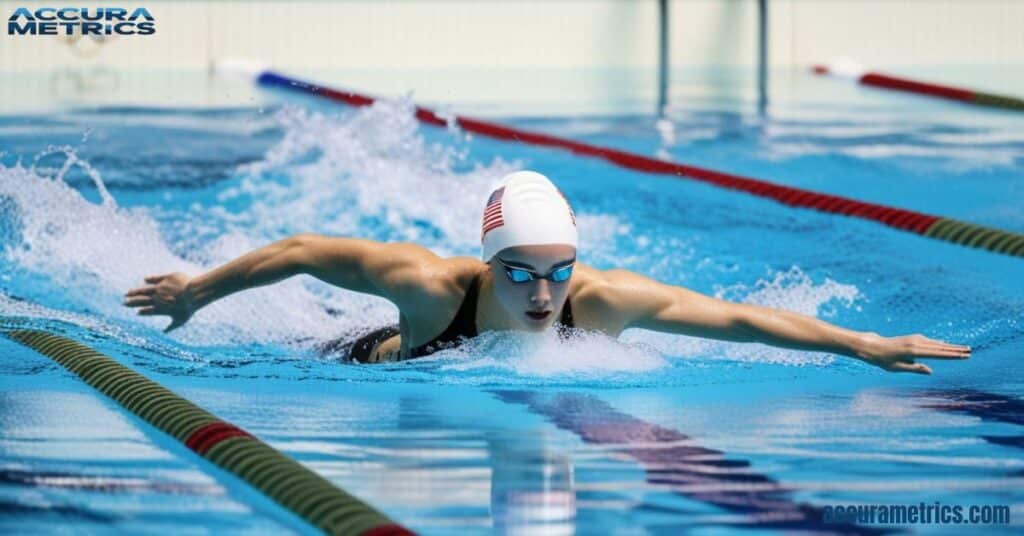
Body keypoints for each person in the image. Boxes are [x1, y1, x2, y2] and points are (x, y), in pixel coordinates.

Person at [124, 171, 970, 371]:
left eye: (556, 272)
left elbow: (741, 319)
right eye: (518, 274)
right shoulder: (425, 284)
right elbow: (302, 250)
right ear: (487, 267)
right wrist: (197, 291)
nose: (541, 294)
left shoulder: (600, 302)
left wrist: (862, 344)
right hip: (363, 358)